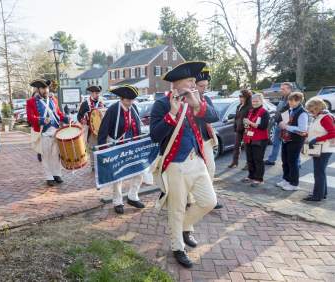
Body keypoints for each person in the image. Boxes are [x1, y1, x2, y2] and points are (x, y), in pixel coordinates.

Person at [150, 62, 218, 268]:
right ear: (177, 84)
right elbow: (155, 136)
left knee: (209, 201)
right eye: (190, 81)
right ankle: (177, 246)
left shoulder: (197, 99)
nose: (194, 84)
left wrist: (197, 104)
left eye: (194, 81)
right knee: (176, 209)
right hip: (175, 164)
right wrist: (171, 114)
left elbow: (214, 116)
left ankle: (185, 226)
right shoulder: (162, 104)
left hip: (197, 160)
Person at [98, 85, 145, 215]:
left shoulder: (133, 108)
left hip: (133, 145)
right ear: (122, 98)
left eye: (132, 100)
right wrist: (102, 149)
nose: (131, 102)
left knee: (139, 171)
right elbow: (104, 129)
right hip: (118, 145)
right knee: (118, 175)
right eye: (128, 100)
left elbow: (137, 127)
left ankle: (132, 196)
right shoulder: (113, 109)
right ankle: (118, 201)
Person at [26, 79, 69, 186]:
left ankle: (57, 174)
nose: (46, 90)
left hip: (55, 131)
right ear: (38, 89)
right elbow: (30, 118)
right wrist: (41, 120)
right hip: (43, 132)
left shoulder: (53, 100)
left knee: (56, 154)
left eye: (47, 88)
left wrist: (66, 119)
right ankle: (49, 176)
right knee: (46, 155)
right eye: (43, 88)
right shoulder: (31, 102)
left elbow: (58, 113)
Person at [304, 97, 335, 201]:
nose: (310, 112)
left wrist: (317, 139)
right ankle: (321, 193)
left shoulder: (325, 117)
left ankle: (317, 196)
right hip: (319, 147)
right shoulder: (319, 116)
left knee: (319, 172)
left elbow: (333, 133)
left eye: (311, 110)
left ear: (318, 108)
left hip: (324, 148)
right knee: (319, 172)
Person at [276, 92, 308, 191]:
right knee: (285, 160)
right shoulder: (289, 109)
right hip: (286, 138)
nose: (291, 102)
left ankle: (294, 183)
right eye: (290, 100)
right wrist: (281, 123)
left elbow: (302, 129)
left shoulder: (302, 112)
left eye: (294, 100)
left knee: (292, 161)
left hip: (296, 140)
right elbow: (282, 119)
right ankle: (286, 179)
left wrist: (287, 127)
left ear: (299, 101)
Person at [242, 93, 270, 187]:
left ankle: (259, 179)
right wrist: (246, 124)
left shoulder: (264, 112)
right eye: (253, 101)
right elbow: (247, 124)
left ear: (261, 101)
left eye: (256, 101)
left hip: (260, 139)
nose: (254, 103)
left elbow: (263, 126)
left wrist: (250, 122)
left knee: (258, 159)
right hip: (249, 138)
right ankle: (251, 176)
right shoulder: (251, 111)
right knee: (249, 158)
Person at [77, 85, 104, 170]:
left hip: (101, 129)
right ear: (92, 93)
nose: (97, 95)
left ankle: (100, 163)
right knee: (93, 147)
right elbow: (79, 115)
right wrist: (82, 120)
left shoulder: (101, 102)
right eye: (96, 93)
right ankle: (93, 165)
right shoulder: (85, 103)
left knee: (101, 146)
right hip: (91, 130)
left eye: (98, 93)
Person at [265, 82, 293, 165]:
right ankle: (271, 160)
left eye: (283, 89)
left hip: (286, 125)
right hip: (278, 124)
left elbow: (286, 111)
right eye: (281, 88)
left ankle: (295, 163)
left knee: (288, 145)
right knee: (276, 143)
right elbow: (279, 110)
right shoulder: (283, 97)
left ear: (289, 89)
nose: (281, 90)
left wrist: (281, 120)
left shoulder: (292, 99)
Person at [228, 89, 252, 168]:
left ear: (247, 97)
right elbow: (237, 118)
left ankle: (248, 164)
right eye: (240, 96)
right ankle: (235, 162)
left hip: (246, 129)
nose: (240, 98)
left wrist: (247, 129)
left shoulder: (250, 107)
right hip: (239, 129)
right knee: (236, 146)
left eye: (242, 96)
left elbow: (250, 118)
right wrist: (235, 127)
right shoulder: (239, 106)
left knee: (247, 147)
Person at [27, 86, 45, 163]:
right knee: (38, 140)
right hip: (37, 125)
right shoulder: (32, 102)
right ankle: (40, 153)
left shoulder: (45, 100)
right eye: (35, 94)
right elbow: (30, 117)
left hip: (45, 124)